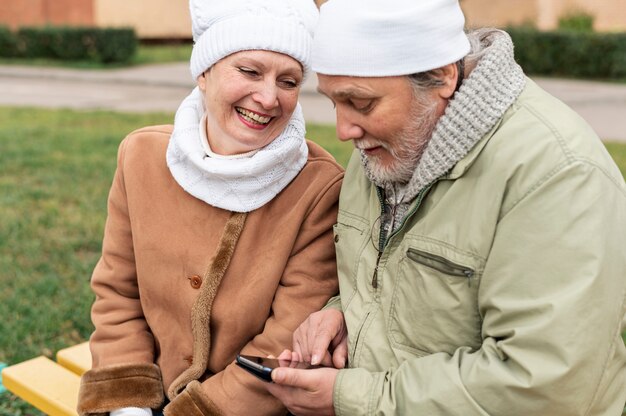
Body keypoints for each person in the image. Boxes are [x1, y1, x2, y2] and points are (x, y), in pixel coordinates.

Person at [265, 0, 626, 414]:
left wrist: (354, 398)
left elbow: (544, 384)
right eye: (333, 102)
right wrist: (341, 316)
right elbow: (393, 284)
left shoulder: (558, 177)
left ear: (442, 77)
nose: (344, 129)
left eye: (361, 103)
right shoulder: (385, 149)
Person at [76, 0, 343, 415]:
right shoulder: (141, 156)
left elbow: (286, 341)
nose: (268, 98)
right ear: (204, 71)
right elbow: (117, 294)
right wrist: (129, 405)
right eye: (250, 71)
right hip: (147, 395)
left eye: (289, 81)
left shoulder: (319, 187)